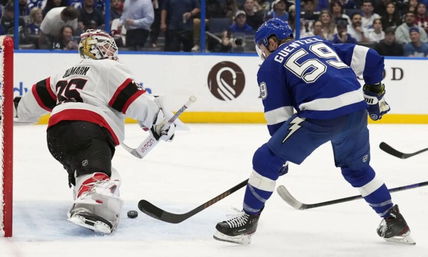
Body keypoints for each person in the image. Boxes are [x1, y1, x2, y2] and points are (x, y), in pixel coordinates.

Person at [213, 18, 414, 245]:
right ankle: (394, 220)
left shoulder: (270, 66)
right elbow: (373, 58)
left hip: (322, 115)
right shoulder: (318, 42)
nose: (262, 53)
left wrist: (279, 159)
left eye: (261, 47)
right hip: (356, 110)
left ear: (271, 41)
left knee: (266, 157)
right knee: (357, 169)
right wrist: (374, 91)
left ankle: (248, 220)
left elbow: (278, 118)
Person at [14, 29, 176, 234]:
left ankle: (85, 190)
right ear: (95, 47)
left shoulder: (63, 73)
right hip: (87, 129)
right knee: (95, 175)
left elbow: (29, 104)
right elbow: (135, 101)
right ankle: (92, 201)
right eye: (108, 46)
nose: (112, 52)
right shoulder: (108, 68)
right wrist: (159, 121)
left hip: (56, 134)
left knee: (88, 169)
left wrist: (12, 110)